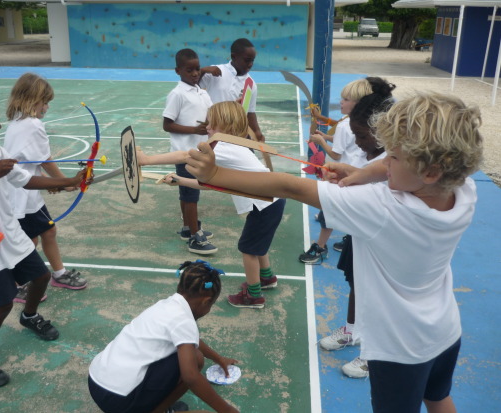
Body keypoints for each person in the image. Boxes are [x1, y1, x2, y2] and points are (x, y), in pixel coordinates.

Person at [186, 91, 483, 413]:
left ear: (430, 172)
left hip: (400, 346)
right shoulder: (463, 189)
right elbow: (387, 167)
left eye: (395, 156)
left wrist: (214, 175)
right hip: (444, 330)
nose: (387, 161)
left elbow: (290, 186)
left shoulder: (382, 209)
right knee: (438, 398)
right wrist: (361, 173)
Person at [0, 87, 87, 388]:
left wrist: (67, 181)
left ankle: (29, 316)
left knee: (39, 278)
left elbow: (24, 180)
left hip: (11, 235)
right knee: (1, 305)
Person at [138, 101, 286, 309]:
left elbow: (184, 155)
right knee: (257, 244)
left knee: (248, 249)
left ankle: (254, 296)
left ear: (225, 125)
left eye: (212, 124)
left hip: (266, 204)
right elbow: (211, 185)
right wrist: (179, 180)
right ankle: (267, 278)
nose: (207, 127)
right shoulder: (235, 147)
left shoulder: (224, 147)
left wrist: (145, 160)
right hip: (270, 202)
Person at [317, 80, 395, 380]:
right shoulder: (375, 160)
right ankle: (352, 331)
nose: (358, 142)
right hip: (361, 233)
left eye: (361, 135)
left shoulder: (394, 167)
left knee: (378, 295)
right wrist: (350, 176)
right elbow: (362, 171)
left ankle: (374, 354)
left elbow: (288, 187)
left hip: (383, 242)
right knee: (356, 282)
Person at [88, 260, 239, 413]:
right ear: (206, 301)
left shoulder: (166, 305)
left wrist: (218, 358)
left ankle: (155, 407)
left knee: (192, 355)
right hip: (118, 401)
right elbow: (190, 377)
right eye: (211, 305)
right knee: (195, 360)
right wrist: (227, 410)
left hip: (97, 382)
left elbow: (191, 339)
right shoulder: (183, 320)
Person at [4, 73, 87, 301]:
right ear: (32, 100)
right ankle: (18, 284)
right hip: (21, 195)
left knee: (47, 231)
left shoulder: (18, 122)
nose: (47, 107)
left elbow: (32, 161)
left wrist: (57, 184)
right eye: (45, 101)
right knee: (28, 240)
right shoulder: (32, 125)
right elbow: (44, 160)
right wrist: (66, 183)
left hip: (27, 194)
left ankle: (58, 274)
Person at [299, 77, 378, 264]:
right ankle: (349, 239)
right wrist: (326, 135)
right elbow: (347, 142)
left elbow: (335, 155)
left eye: (346, 99)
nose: (340, 101)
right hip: (359, 174)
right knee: (354, 210)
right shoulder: (362, 122)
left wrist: (320, 142)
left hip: (341, 176)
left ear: (358, 104)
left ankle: (320, 247)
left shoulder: (344, 125)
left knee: (329, 208)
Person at [163, 49, 217, 255]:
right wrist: (194, 130)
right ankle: (196, 237)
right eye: (189, 70)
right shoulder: (177, 94)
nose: (195, 73)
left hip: (199, 152)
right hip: (184, 153)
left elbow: (212, 114)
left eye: (197, 69)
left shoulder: (202, 91)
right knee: (191, 193)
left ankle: (188, 227)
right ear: (178, 71)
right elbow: (167, 125)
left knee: (187, 193)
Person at [199, 38, 265, 143]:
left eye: (252, 60)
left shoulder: (250, 84)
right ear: (234, 56)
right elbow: (192, 85)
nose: (250, 64)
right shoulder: (215, 71)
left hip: (233, 135)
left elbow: (249, 112)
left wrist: (257, 132)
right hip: (212, 131)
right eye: (247, 60)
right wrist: (203, 71)